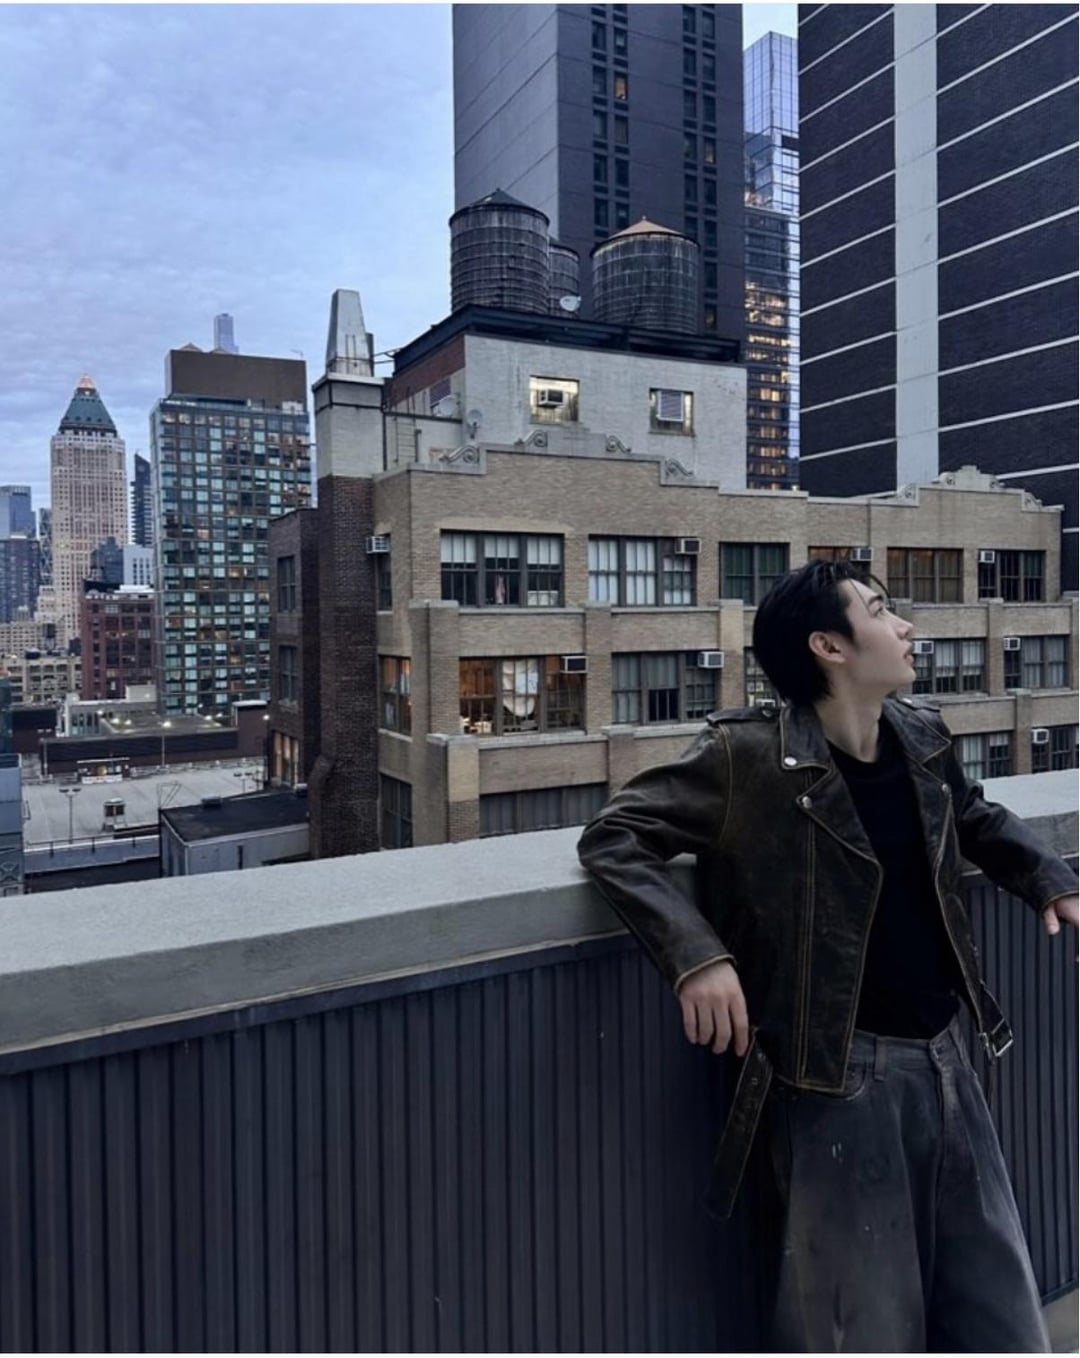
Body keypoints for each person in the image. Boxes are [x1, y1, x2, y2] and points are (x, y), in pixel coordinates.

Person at [577, 560, 1078, 1353]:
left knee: (1002, 1321)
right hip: (836, 1078)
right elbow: (616, 836)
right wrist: (696, 957)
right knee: (862, 1328)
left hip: (950, 1055)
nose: (906, 627)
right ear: (829, 647)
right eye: (880, 610)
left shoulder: (919, 734)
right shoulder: (747, 757)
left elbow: (971, 816)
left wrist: (1050, 879)